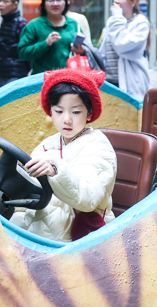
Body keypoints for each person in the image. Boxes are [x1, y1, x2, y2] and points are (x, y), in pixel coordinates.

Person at [10, 69, 117, 242]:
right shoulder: (46, 145)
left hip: (76, 238)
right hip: (39, 230)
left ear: (89, 113)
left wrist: (55, 170)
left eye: (76, 112)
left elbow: (87, 198)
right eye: (59, 111)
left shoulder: (98, 146)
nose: (66, 119)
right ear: (51, 112)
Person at [99, 0, 151, 100]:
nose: (116, 1)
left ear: (133, 2)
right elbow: (104, 51)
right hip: (109, 82)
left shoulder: (141, 23)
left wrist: (117, 17)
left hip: (130, 84)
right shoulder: (112, 21)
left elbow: (121, 45)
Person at [18, 0, 78, 74]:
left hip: (69, 77)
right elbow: (23, 53)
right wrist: (46, 43)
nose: (55, 4)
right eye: (51, 0)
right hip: (42, 78)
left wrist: (81, 50)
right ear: (44, 4)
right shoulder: (34, 25)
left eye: (59, 0)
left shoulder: (73, 24)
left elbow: (83, 47)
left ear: (65, 2)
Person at [0, 0, 29, 87]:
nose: (1, 4)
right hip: (1, 72)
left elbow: (26, 49)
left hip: (16, 74)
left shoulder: (21, 23)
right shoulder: (4, 21)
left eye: (5, 1)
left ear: (15, 4)